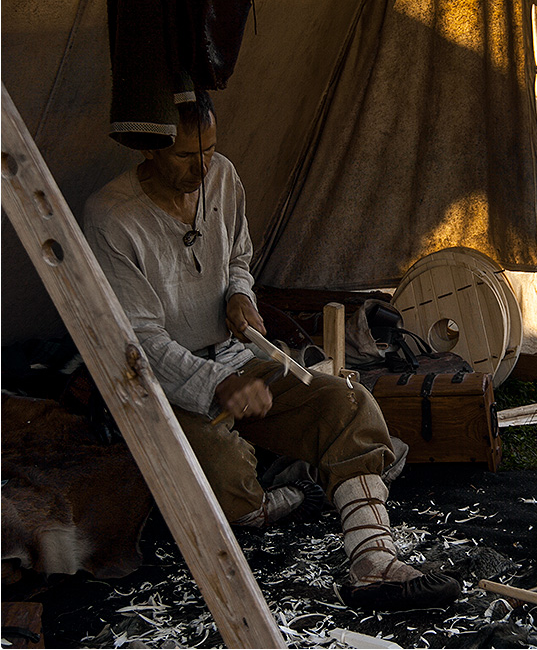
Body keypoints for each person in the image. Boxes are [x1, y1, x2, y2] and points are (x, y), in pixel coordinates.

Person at [84, 90, 460, 611]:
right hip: (164, 384)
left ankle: (373, 560)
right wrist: (216, 385)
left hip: (236, 359)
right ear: (148, 149)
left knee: (345, 403)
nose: (202, 167)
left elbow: (238, 253)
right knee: (222, 473)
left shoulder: (222, 176)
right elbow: (140, 339)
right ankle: (266, 502)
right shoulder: (110, 217)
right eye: (185, 156)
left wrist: (239, 293)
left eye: (210, 150)